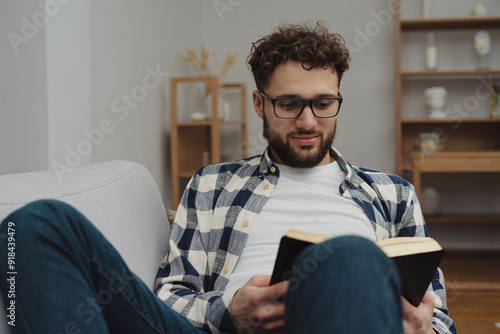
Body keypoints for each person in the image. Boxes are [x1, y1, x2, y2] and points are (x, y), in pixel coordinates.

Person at [0, 22, 456, 334]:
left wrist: (420, 326)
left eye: (323, 102)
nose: (307, 120)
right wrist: (229, 312)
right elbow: (171, 295)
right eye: (289, 103)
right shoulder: (213, 184)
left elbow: (440, 319)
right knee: (33, 224)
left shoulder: (392, 193)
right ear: (260, 104)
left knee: (349, 256)